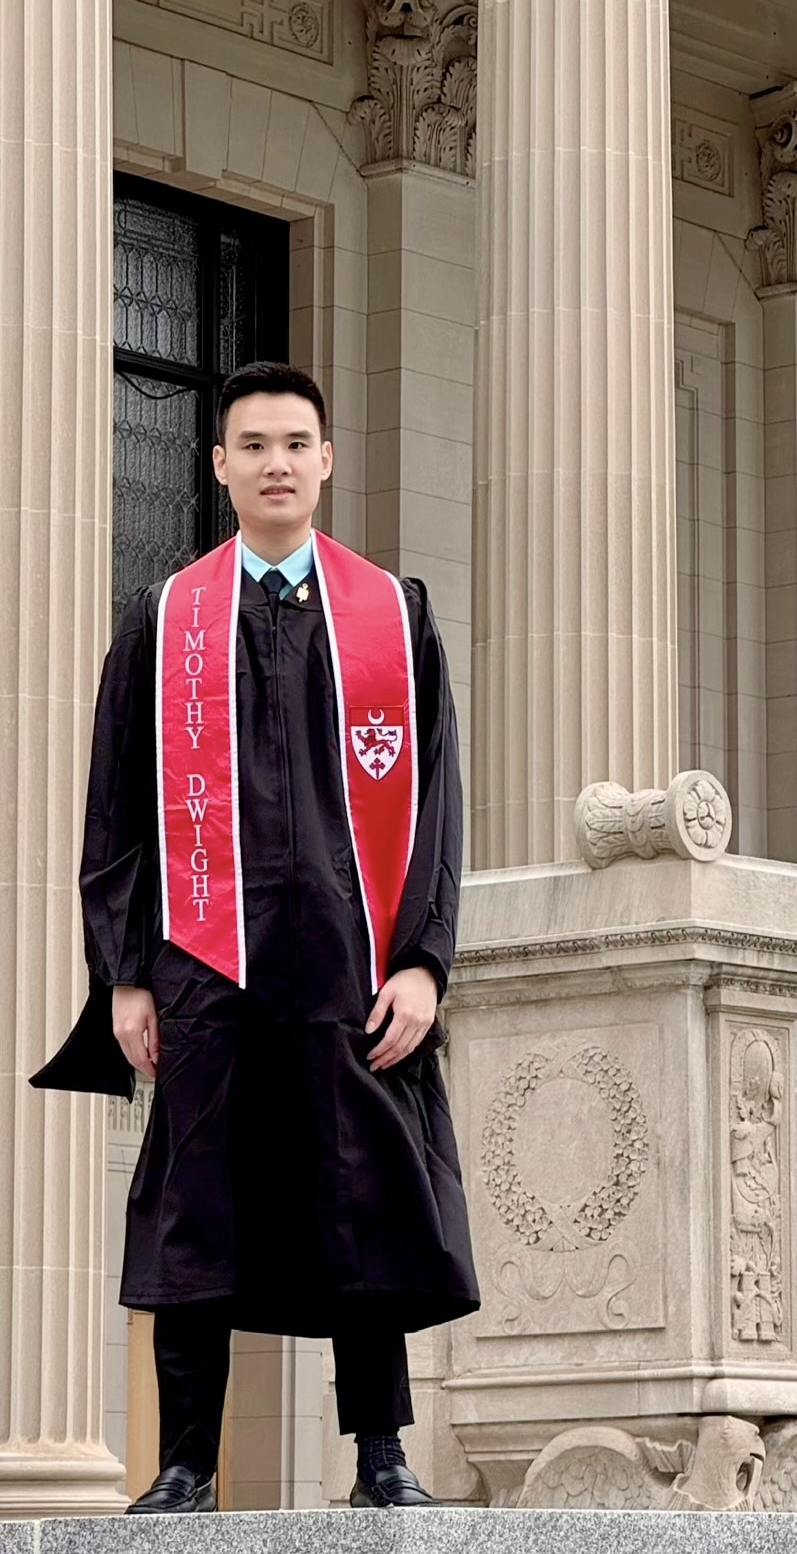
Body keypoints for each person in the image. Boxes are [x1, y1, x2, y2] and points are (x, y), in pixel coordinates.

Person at [34, 361, 479, 1513]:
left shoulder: (390, 613)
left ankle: (380, 1454)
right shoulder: (167, 616)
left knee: (365, 1196)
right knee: (197, 1205)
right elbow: (116, 810)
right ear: (219, 462)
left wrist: (426, 957)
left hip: (350, 959)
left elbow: (435, 804)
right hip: (205, 963)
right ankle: (185, 1462)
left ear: (327, 460)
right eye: (253, 443)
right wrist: (127, 974)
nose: (276, 461)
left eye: (296, 441)